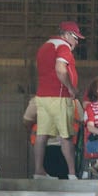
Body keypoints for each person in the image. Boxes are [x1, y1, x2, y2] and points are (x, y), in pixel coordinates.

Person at [31, 21, 83, 181]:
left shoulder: (45, 46)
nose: (76, 42)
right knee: (66, 136)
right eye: (75, 37)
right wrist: (71, 88)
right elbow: (60, 68)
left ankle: (39, 171)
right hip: (59, 97)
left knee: (42, 135)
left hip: (43, 96)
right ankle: (72, 173)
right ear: (66, 34)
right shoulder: (63, 47)